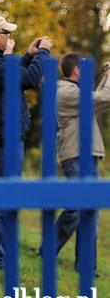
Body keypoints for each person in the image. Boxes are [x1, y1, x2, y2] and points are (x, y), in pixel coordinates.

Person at [0, 13, 52, 270]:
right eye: (6, 33)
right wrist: (43, 53)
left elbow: (14, 74)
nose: (9, 37)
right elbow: (28, 79)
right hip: (3, 137)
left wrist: (29, 56)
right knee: (2, 197)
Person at [42, 52, 108, 275]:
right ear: (78, 70)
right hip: (76, 154)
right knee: (76, 208)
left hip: (89, 154)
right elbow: (103, 97)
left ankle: (86, 265)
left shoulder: (76, 93)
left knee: (90, 212)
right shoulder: (65, 92)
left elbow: (98, 99)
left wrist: (106, 76)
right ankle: (48, 250)